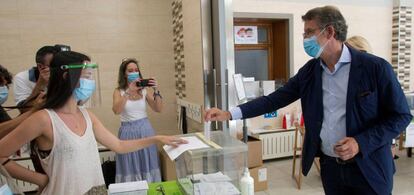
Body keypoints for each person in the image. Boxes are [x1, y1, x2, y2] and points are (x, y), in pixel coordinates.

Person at [205, 6, 412, 195]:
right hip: (331, 168)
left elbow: (401, 116)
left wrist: (360, 143)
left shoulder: (375, 68)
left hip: (369, 168)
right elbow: (274, 100)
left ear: (330, 32)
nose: (304, 39)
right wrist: (231, 113)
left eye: (309, 32)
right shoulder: (310, 72)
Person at [0, 51, 186, 195]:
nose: (91, 82)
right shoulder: (43, 119)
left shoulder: (87, 115)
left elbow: (119, 145)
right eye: (86, 76)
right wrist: (39, 179)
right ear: (67, 77)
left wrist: (157, 139)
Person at [112, 58, 163, 183]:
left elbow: (158, 108)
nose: (134, 72)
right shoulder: (119, 91)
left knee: (148, 163)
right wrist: (128, 92)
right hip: (127, 134)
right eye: (130, 70)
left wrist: (156, 90)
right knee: (129, 165)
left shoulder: (144, 91)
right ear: (124, 73)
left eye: (136, 70)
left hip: (146, 131)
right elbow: (116, 110)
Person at [13, 45, 69, 113]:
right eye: (54, 65)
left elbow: (80, 103)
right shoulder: (22, 78)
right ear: (40, 66)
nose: (59, 69)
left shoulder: (65, 74)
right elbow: (24, 110)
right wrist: (40, 85)